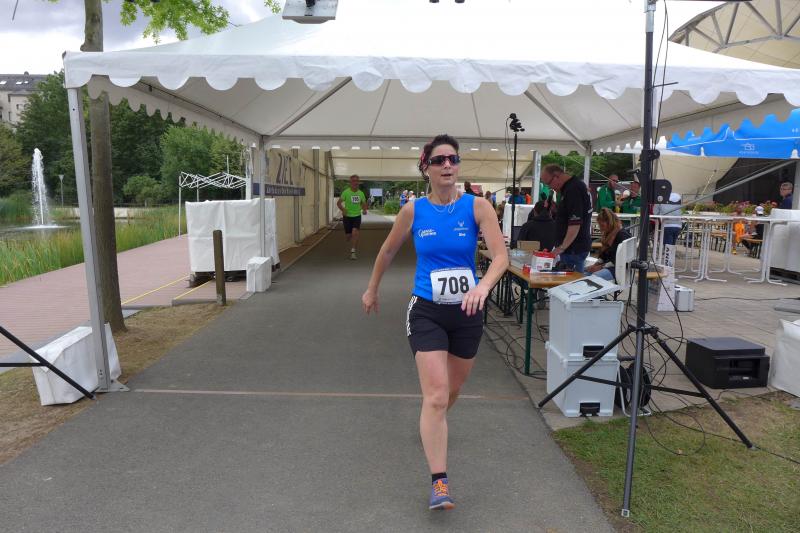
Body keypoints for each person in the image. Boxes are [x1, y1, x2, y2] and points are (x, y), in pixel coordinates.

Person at [361, 134, 508, 511]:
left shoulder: (478, 206)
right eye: (439, 160)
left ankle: (433, 418)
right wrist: (372, 289)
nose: (447, 165)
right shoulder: (413, 210)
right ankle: (439, 483)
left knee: (451, 392)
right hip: (426, 309)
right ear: (425, 167)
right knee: (438, 394)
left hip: (467, 312)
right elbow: (388, 250)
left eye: (453, 159)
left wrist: (483, 287)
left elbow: (500, 257)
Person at [539, 164, 593, 273]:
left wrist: (562, 248)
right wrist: (556, 209)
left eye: (549, 183)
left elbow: (575, 223)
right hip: (572, 248)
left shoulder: (573, 189)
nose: (550, 188)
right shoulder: (570, 187)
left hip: (573, 249)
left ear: (556, 176)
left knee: (571, 282)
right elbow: (570, 214)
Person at [586, 208, 631, 281]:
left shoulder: (622, 235)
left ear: (609, 222)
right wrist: (595, 265)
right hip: (610, 265)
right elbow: (604, 255)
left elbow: (616, 261)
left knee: (594, 277)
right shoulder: (609, 233)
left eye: (602, 225)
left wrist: (600, 267)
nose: (601, 228)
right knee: (585, 272)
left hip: (619, 268)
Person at [336, 174, 368, 260]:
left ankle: (353, 251)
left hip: (357, 216)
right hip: (347, 217)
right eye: (353, 181)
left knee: (355, 232)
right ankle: (348, 235)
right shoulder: (346, 192)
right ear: (350, 182)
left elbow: (364, 203)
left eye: (357, 181)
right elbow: (338, 203)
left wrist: (364, 210)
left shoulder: (361, 193)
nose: (355, 183)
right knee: (348, 236)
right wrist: (343, 209)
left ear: (358, 182)